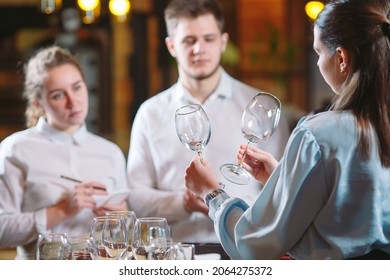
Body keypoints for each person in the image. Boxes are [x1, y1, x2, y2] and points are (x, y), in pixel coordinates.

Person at [185, 0, 390, 260]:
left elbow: (255, 244)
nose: (317, 63)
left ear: (341, 58)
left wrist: (211, 193)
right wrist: (282, 180)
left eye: (318, 52)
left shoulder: (317, 135)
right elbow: (345, 212)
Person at [126, 0, 290, 255]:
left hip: (244, 252)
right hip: (171, 255)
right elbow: (135, 196)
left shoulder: (259, 108)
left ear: (223, 42)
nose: (199, 49)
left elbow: (282, 192)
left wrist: (223, 203)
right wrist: (183, 203)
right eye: (188, 41)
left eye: (209, 38)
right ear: (171, 46)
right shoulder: (150, 113)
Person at [0, 46, 129, 260]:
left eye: (77, 88)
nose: (73, 101)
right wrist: (60, 211)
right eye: (58, 95)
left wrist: (120, 219)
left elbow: (123, 237)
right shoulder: (15, 149)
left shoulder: (111, 152)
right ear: (38, 102)